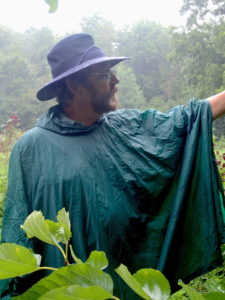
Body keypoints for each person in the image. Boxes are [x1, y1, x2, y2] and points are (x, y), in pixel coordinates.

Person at [0, 33, 225, 299]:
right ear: (75, 86)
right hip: (65, 291)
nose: (116, 80)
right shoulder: (32, 148)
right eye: (105, 74)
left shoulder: (124, 128)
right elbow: (17, 229)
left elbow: (185, 120)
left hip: (122, 288)